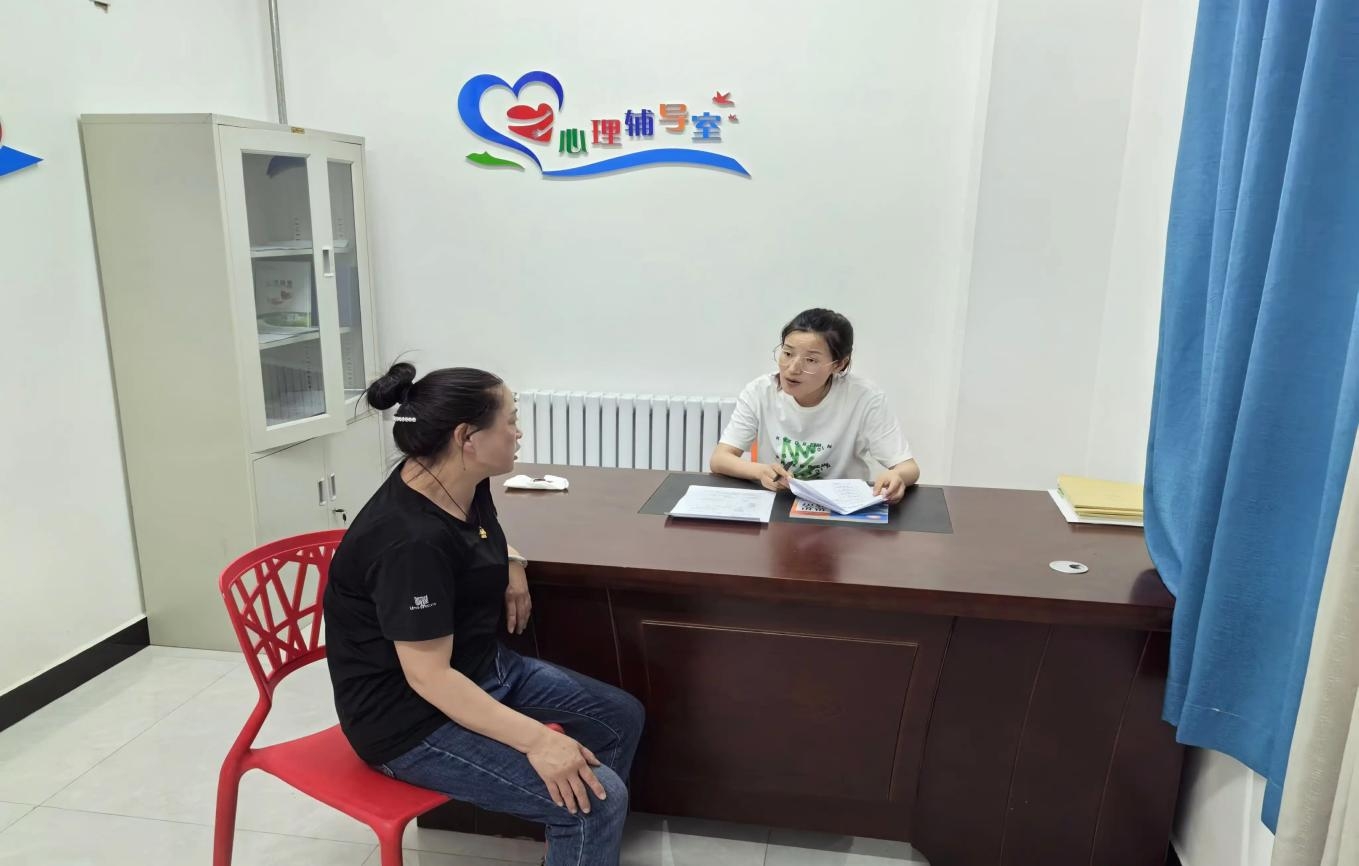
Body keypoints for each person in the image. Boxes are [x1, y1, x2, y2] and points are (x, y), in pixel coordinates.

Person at [323, 362, 644, 866]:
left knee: (619, 717)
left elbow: (473, 533)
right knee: (596, 804)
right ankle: (584, 828)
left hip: (478, 666)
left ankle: (581, 847)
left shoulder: (458, 479)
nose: (519, 433)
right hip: (409, 720)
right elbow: (429, 678)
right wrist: (538, 742)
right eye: (510, 421)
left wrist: (510, 560)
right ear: (466, 437)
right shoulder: (408, 542)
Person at [709, 308, 920, 502]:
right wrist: (760, 471)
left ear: (839, 364)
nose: (792, 368)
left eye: (810, 360)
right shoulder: (760, 392)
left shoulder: (864, 398)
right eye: (787, 353)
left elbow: (908, 467)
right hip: (780, 503)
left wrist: (897, 476)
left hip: (841, 508)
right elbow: (720, 459)